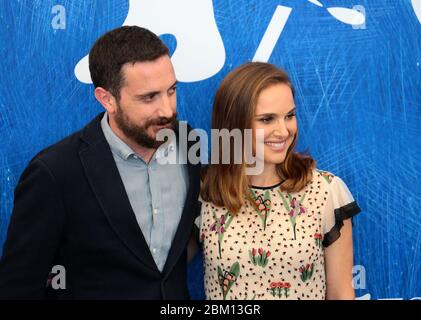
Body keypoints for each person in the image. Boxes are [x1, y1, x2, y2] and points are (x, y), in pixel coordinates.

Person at [0, 26, 201, 299]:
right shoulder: (55, 173)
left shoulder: (188, 143)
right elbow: (18, 286)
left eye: (171, 90)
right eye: (149, 97)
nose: (167, 110)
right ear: (107, 99)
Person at [198, 62, 361, 300]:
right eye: (267, 119)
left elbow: (341, 294)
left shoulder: (325, 191)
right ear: (234, 123)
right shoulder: (204, 191)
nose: (283, 131)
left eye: (289, 116)